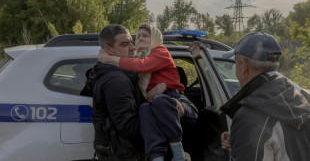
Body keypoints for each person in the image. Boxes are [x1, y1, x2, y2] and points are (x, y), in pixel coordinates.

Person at [99, 23, 198, 161]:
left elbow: (142, 66)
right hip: (154, 103)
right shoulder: (141, 57)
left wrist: (109, 59)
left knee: (159, 101)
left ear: (155, 37)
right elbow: (135, 68)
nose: (140, 38)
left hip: (172, 98)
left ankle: (179, 154)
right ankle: (156, 157)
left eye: (145, 35)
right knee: (144, 109)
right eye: (138, 36)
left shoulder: (160, 51)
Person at [220, 32, 310, 161]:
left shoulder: (250, 116)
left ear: (244, 65)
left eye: (236, 64)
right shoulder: (300, 99)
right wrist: (240, 142)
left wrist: (244, 137)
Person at [88, 24, 145, 161]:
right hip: (123, 154)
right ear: (108, 49)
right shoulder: (116, 80)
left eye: (131, 43)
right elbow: (128, 128)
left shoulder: (109, 72)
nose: (132, 48)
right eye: (125, 44)